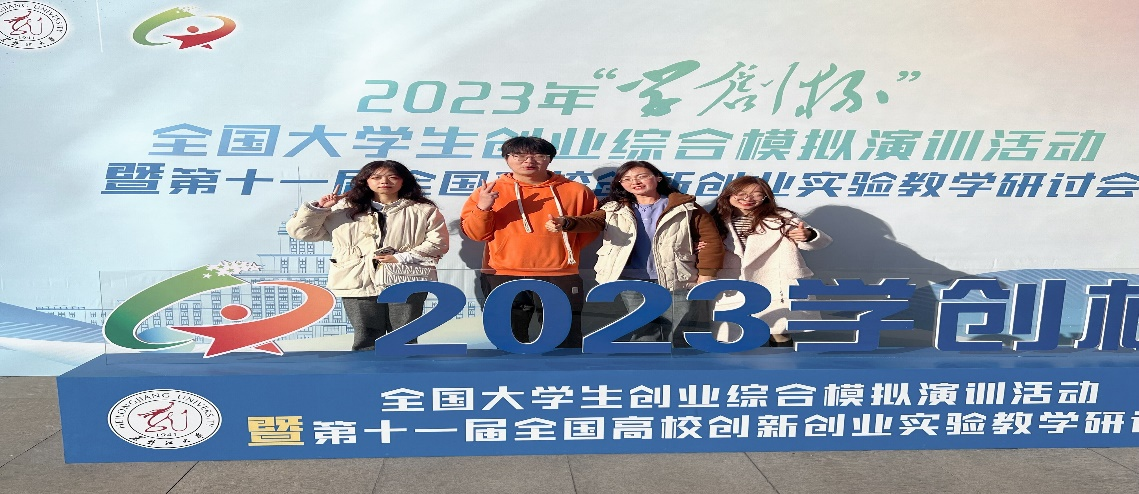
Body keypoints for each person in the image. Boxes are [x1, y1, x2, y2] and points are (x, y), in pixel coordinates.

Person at [546, 161, 723, 347]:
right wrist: (565, 223)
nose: (635, 182)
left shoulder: (685, 207)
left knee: (678, 331)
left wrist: (707, 274)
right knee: (643, 330)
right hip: (631, 280)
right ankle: (646, 363)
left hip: (676, 278)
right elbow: (590, 221)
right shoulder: (614, 208)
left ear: (658, 178)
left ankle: (679, 364)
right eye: (627, 179)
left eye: (641, 176)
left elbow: (710, 241)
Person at [286, 160, 448, 351]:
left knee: (404, 337)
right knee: (366, 338)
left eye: (392, 177)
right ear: (366, 181)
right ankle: (366, 372)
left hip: (407, 280)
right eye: (376, 177)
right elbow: (302, 233)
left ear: (403, 181)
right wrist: (320, 208)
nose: (384, 181)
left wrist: (402, 257)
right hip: (357, 279)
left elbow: (438, 243)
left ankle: (405, 371)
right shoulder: (342, 209)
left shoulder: (423, 210)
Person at [460, 136, 599, 348]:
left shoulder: (576, 191)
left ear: (549, 159)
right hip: (502, 272)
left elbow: (591, 227)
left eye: (538, 155)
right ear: (507, 159)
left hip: (560, 273)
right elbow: (475, 234)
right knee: (509, 339)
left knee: (564, 339)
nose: (529, 161)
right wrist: (483, 207)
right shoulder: (488, 191)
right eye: (519, 155)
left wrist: (563, 250)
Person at [711, 176, 831, 347]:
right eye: (741, 193)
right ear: (728, 194)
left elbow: (820, 241)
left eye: (757, 194)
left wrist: (808, 235)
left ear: (766, 197)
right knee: (738, 339)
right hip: (733, 285)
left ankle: (784, 364)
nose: (747, 198)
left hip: (775, 283)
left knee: (779, 334)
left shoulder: (781, 218)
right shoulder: (713, 221)